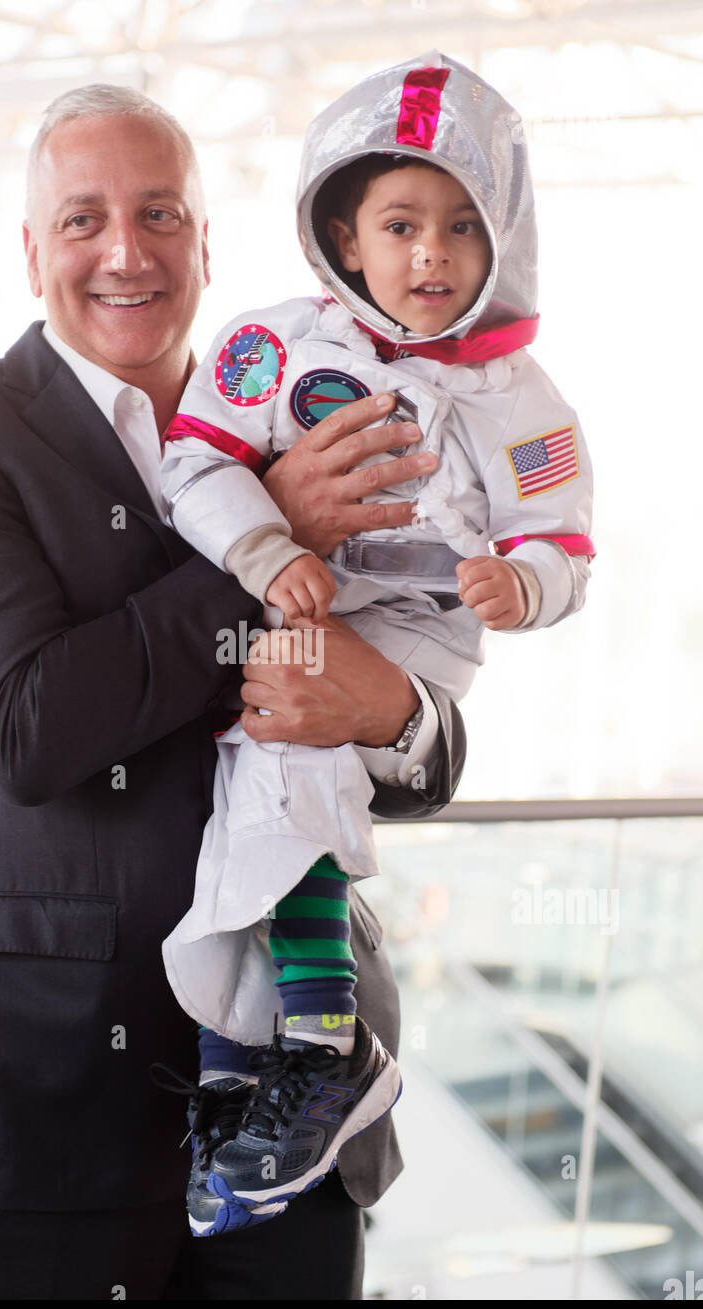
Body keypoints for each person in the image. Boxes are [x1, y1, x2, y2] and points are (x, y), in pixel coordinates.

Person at [0, 83, 466, 1301]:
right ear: (33, 253)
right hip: (39, 1097)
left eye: (160, 214)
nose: (126, 251)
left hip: (301, 1097)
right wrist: (266, 531)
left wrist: (394, 718)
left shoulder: (311, 414)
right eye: (82, 220)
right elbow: (25, 728)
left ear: (203, 240)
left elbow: (415, 728)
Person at [158, 52, 594, 1232]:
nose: (432, 254)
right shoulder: (272, 347)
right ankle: (248, 1074)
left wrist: (523, 583)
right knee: (250, 814)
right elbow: (193, 463)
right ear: (344, 240)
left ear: (499, 238)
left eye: (461, 225)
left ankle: (321, 1040)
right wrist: (266, 549)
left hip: (415, 645)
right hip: (297, 603)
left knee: (287, 756)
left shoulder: (525, 400)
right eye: (400, 225)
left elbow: (567, 545)